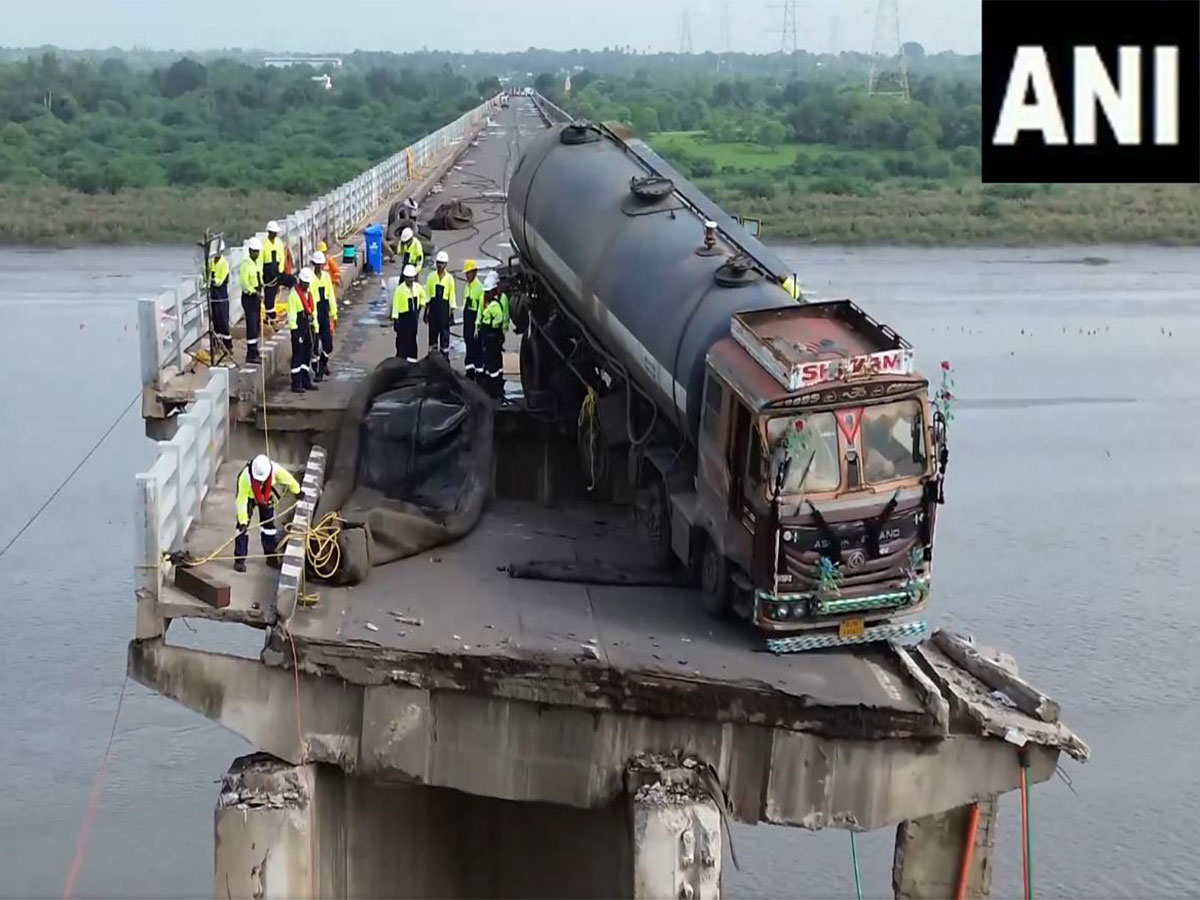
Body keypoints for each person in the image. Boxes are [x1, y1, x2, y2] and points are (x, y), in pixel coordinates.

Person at [233, 453, 300, 573]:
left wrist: (297, 491)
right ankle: (239, 559)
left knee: (268, 527)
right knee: (241, 529)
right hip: (248, 497)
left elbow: (288, 479)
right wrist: (243, 521)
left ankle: (271, 556)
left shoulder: (274, 469)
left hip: (266, 496)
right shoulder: (244, 478)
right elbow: (241, 500)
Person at [286, 267, 318, 393]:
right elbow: (292, 316)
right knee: (297, 356)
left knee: (306, 355)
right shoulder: (294, 296)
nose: (306, 285)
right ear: (300, 281)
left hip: (308, 327)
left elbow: (312, 312)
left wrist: (315, 327)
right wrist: (295, 333)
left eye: (308, 283)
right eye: (305, 283)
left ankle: (306, 381)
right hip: (298, 328)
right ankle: (296, 383)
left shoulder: (309, 295)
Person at [479, 271, 507, 401]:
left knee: (493, 366)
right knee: (491, 365)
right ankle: (492, 391)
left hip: (492, 338)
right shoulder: (490, 303)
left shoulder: (495, 305)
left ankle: (495, 392)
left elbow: (501, 318)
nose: (485, 294)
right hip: (490, 337)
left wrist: (494, 327)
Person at [310, 250, 337, 381]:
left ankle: (323, 364)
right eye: (317, 264)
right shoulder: (310, 278)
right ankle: (317, 370)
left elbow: (330, 294)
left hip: (324, 310)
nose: (319, 267)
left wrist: (334, 312)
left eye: (321, 264)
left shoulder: (326, 277)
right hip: (314, 313)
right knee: (315, 344)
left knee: (328, 343)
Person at [424, 250, 456, 357]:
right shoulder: (431, 277)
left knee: (444, 335)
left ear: (445, 264)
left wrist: (451, 313)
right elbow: (428, 294)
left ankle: (444, 359)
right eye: (438, 263)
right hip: (433, 309)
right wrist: (426, 311)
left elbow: (452, 296)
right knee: (433, 335)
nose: (439, 265)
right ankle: (432, 359)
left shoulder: (449, 279)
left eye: (442, 263)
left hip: (444, 309)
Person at [391, 264, 425, 363]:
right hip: (403, 319)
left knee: (412, 341)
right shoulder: (399, 290)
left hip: (413, 318)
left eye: (411, 278)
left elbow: (424, 297)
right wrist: (395, 319)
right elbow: (396, 305)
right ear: (405, 277)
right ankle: (401, 362)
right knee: (402, 342)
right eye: (408, 278)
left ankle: (412, 362)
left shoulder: (417, 288)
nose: (410, 280)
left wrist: (420, 308)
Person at [239, 237, 264, 364]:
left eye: (258, 251)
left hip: (257, 296)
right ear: (249, 251)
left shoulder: (258, 263)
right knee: (251, 324)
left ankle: (255, 350)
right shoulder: (245, 265)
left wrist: (261, 288)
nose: (256, 254)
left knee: (257, 325)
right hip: (249, 297)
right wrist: (254, 292)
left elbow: (260, 278)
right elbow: (244, 283)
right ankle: (251, 353)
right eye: (254, 251)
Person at [206, 239, 233, 358]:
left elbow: (219, 281)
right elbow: (206, 276)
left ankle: (228, 346)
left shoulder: (224, 264)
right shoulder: (211, 263)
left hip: (221, 296)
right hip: (213, 297)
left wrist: (212, 279)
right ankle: (216, 346)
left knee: (223, 321)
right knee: (215, 321)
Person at [460, 258, 484, 378]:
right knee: (468, 345)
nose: (467, 276)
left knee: (476, 348)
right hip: (468, 320)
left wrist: (477, 325)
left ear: (474, 272)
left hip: (475, 320)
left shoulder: (479, 288)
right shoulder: (467, 287)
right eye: (466, 273)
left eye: (468, 273)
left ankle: (479, 373)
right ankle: (469, 371)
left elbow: (480, 308)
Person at [262, 220, 286, 325]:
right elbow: (261, 259)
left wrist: (280, 270)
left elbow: (282, 257)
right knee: (269, 294)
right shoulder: (264, 244)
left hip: (276, 269)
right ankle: (269, 316)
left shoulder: (279, 243)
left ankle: (271, 315)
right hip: (267, 270)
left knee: (274, 292)